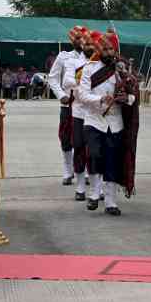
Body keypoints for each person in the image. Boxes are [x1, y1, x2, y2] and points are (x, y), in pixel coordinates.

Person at [77, 31, 137, 216]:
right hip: (94, 120)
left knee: (112, 160)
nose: (109, 52)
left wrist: (126, 98)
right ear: (98, 49)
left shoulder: (122, 69)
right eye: (105, 48)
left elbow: (134, 96)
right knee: (95, 154)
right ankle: (95, 194)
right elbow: (82, 95)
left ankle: (111, 202)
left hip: (115, 122)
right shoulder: (89, 68)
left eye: (112, 48)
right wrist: (101, 99)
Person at [48, 26, 87, 186]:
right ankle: (67, 169)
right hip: (67, 104)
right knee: (66, 137)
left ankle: (83, 170)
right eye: (77, 38)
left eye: (83, 38)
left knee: (83, 138)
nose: (81, 41)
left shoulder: (92, 57)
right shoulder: (64, 57)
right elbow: (53, 78)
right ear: (72, 40)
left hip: (85, 104)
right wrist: (61, 95)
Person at [63, 31, 97, 201]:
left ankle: (97, 187)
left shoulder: (100, 63)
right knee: (79, 147)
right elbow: (66, 82)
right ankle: (80, 187)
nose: (90, 47)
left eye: (93, 45)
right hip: (78, 111)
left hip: (96, 112)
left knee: (95, 151)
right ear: (82, 45)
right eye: (87, 44)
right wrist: (82, 85)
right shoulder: (73, 62)